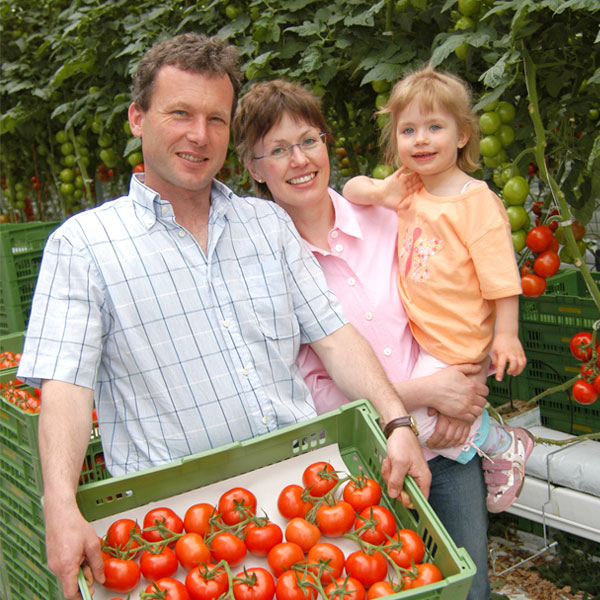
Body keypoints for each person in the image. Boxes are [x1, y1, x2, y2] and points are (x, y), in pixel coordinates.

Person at [17, 34, 430, 600]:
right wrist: (59, 504)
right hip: (175, 536)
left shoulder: (267, 224)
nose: (199, 135)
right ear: (138, 118)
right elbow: (65, 386)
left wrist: (396, 421)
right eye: (180, 113)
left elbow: (334, 335)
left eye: (216, 118)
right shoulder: (84, 246)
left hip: (302, 501)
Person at [232, 78, 493, 600]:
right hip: (361, 469)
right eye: (278, 150)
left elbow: (460, 297)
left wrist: (465, 387)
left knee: (470, 590)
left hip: (446, 443)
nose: (300, 160)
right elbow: (308, 392)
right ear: (254, 169)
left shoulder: (389, 216)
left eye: (309, 140)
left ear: (328, 143)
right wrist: (425, 393)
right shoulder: (260, 267)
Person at [342, 64, 535, 511]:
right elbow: (351, 190)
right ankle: (482, 434)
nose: (421, 139)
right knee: (413, 419)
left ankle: (500, 442)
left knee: (413, 423)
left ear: (463, 135)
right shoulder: (410, 191)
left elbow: (502, 278)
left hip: (458, 339)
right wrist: (381, 192)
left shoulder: (476, 202)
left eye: (434, 127)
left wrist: (505, 336)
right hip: (428, 337)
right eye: (408, 130)